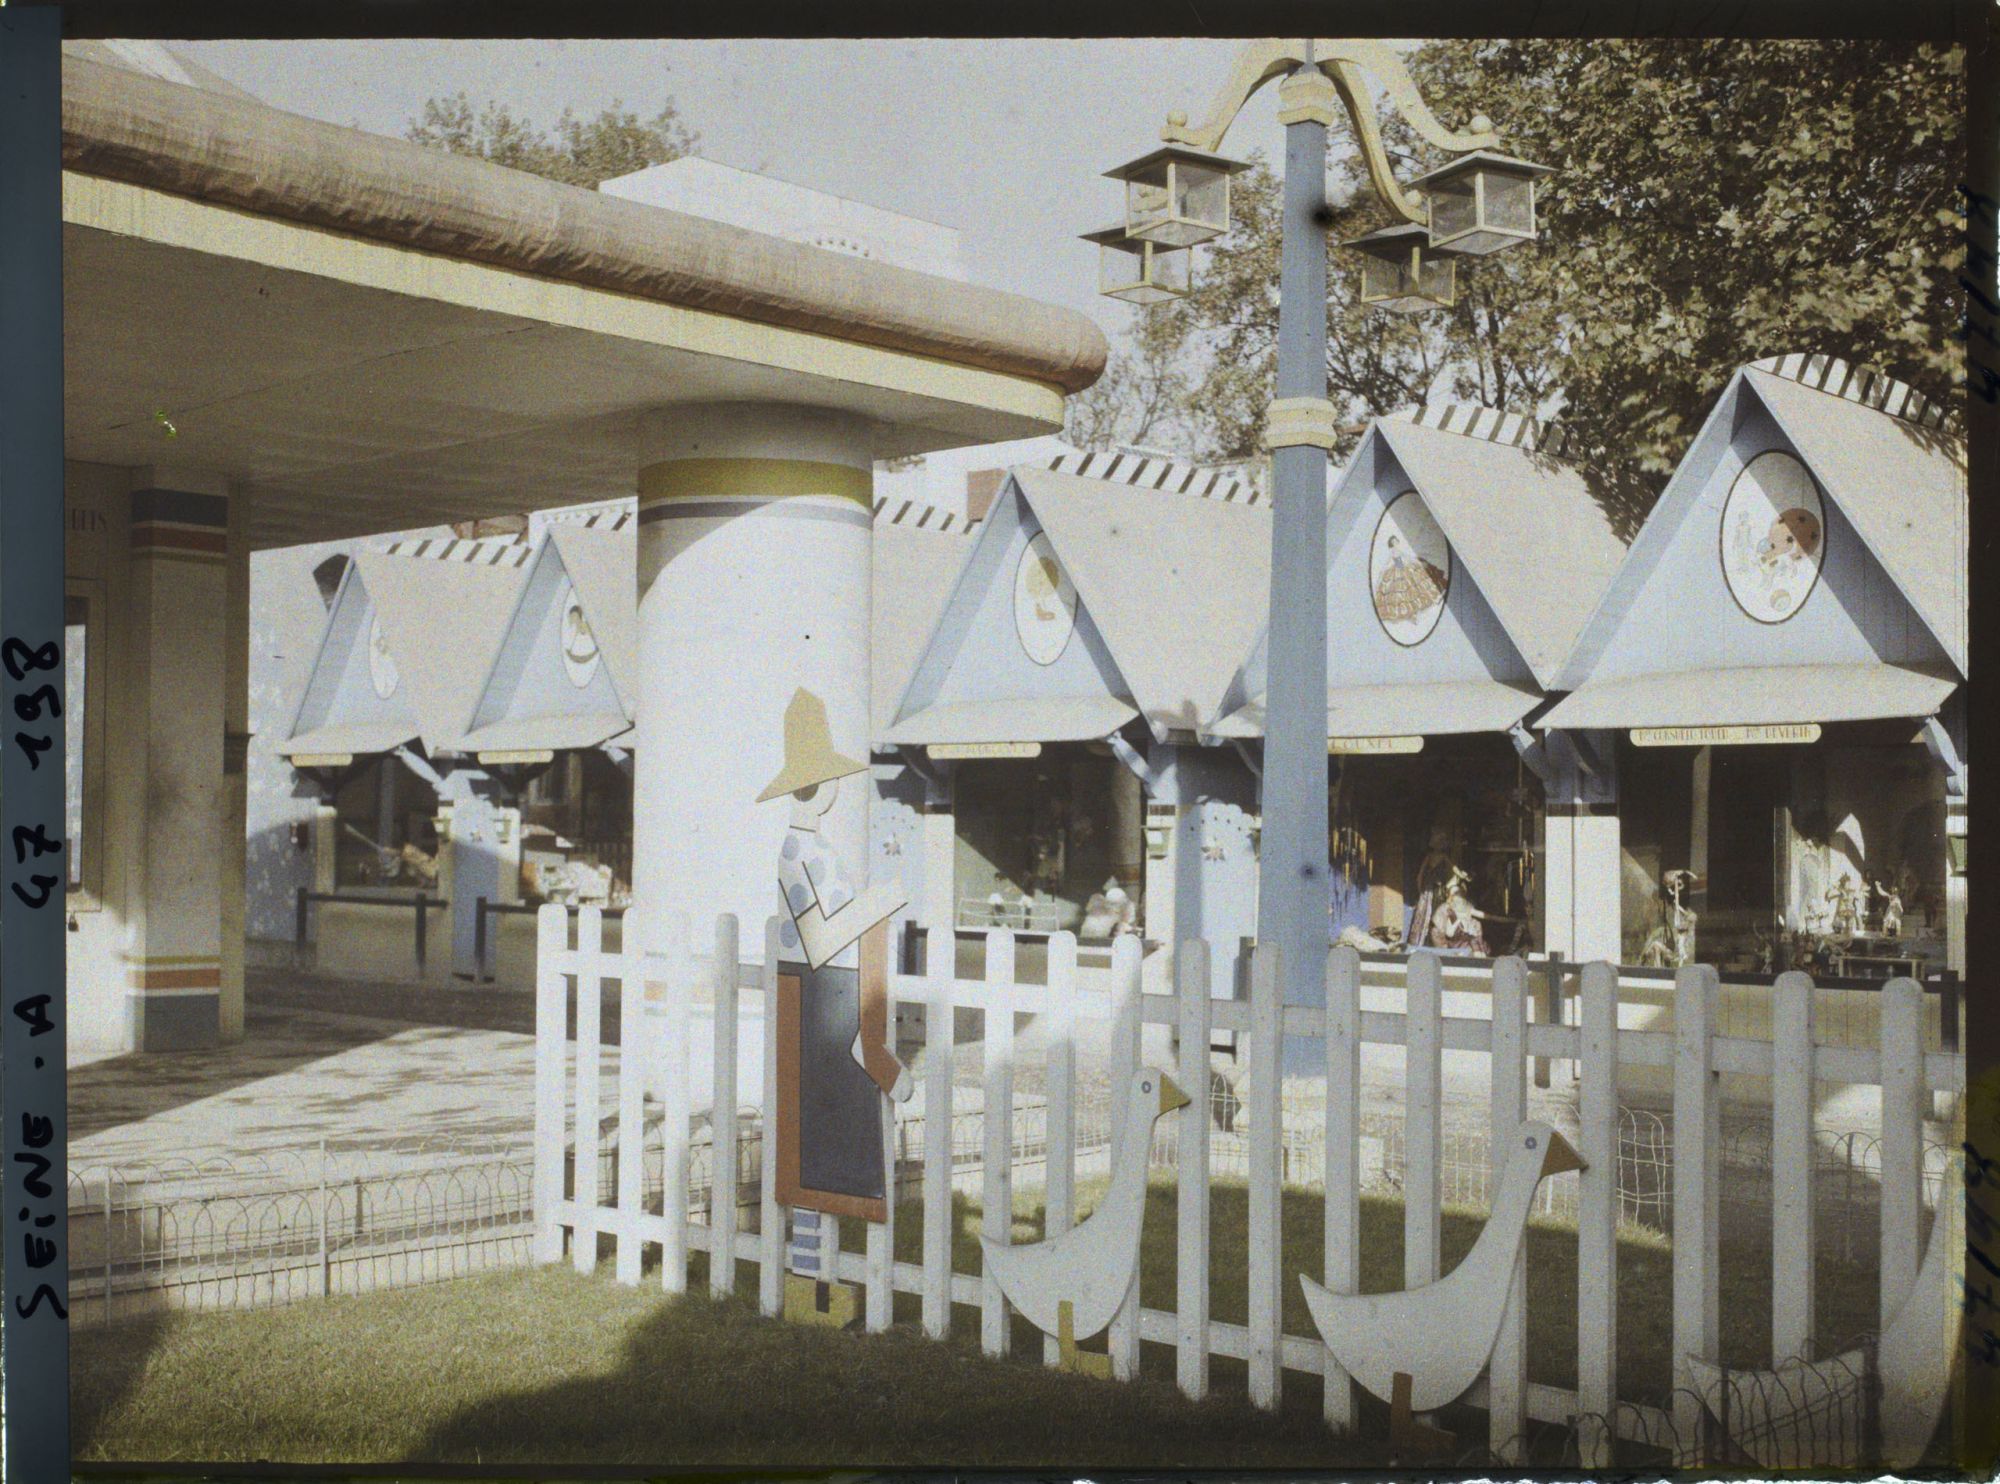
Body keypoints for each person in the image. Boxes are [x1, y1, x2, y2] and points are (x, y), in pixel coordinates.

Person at [759, 688, 911, 1327]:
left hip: (837, 995)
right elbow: (820, 939)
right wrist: (879, 902)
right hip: (822, 1000)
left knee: (821, 1151)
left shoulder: (812, 850)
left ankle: (810, 1286)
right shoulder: (799, 853)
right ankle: (806, 1287)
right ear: (817, 787)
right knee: (816, 1151)